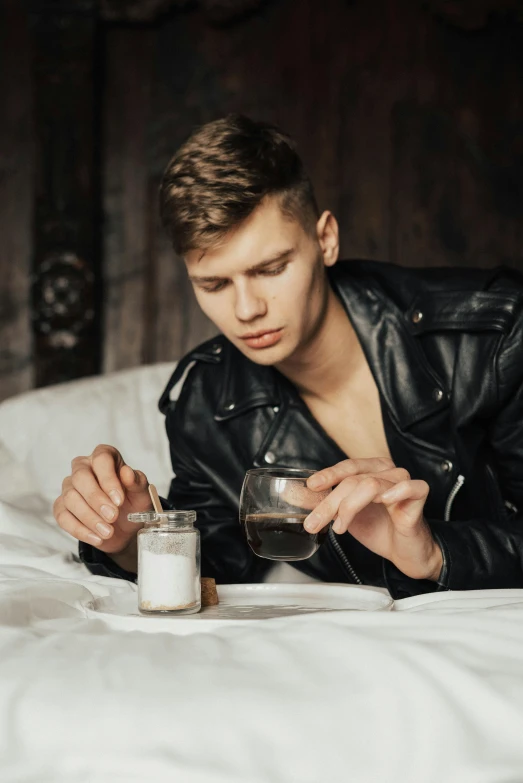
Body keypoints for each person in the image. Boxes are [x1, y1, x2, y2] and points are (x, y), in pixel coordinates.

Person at [53, 115, 523, 599]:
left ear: (326, 240)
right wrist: (128, 538)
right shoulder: (206, 402)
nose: (246, 310)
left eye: (271, 269)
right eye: (214, 284)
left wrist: (434, 552)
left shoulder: (495, 331)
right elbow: (221, 564)